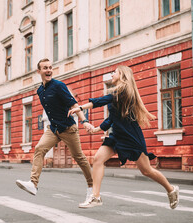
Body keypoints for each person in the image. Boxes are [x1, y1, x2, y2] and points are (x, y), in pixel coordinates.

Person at [68, 65, 179, 209]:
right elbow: (112, 119)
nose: (112, 74)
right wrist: (96, 129)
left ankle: (171, 189)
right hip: (117, 135)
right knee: (97, 159)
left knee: (146, 170)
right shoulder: (116, 94)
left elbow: (102, 100)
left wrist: (80, 108)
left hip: (131, 136)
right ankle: (95, 197)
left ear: (122, 75)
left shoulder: (126, 91)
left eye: (114, 72)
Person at [16, 58, 94, 202]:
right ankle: (33, 184)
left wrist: (85, 121)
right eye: (45, 68)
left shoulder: (59, 86)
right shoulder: (40, 91)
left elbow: (73, 104)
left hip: (68, 128)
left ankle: (92, 188)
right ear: (38, 71)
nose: (49, 70)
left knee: (80, 158)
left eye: (50, 67)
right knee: (39, 149)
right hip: (53, 129)